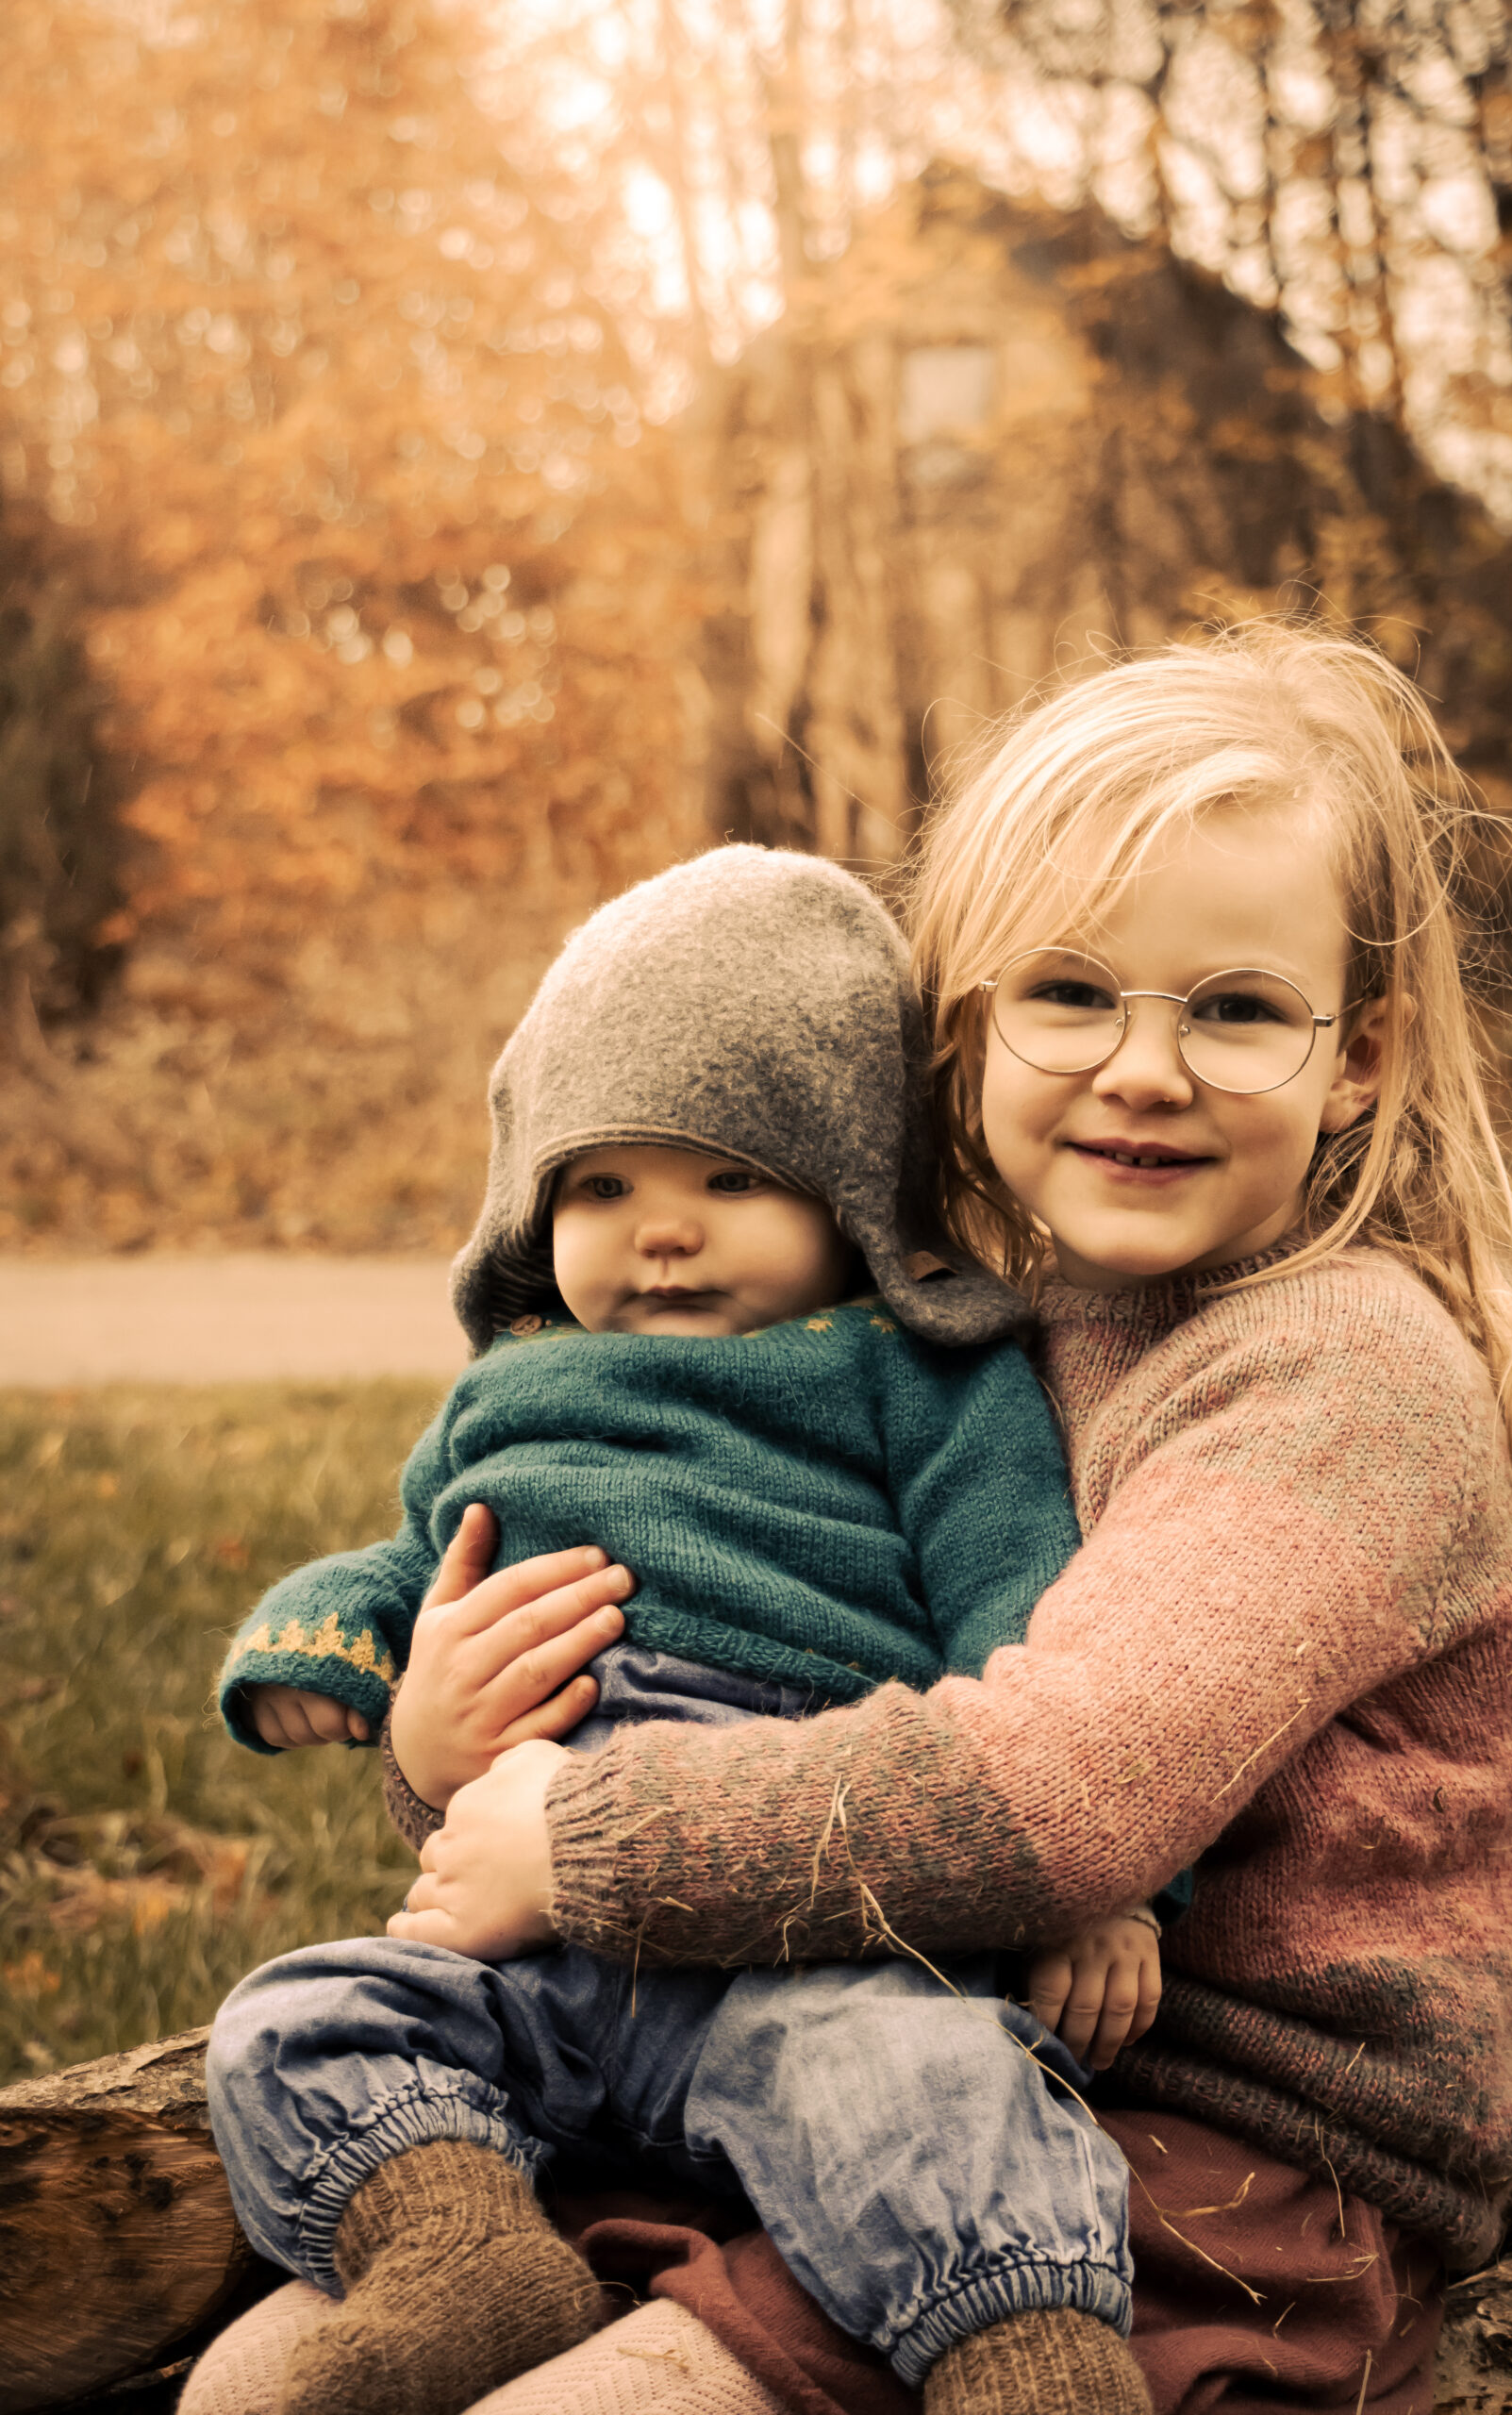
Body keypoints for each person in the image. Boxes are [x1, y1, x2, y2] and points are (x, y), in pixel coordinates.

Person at [353, 623, 1512, 2415]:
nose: (1146, 1068)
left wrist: (586, 1843)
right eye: (1073, 993)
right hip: (879, 2049)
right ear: (965, 1034)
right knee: (273, 2368)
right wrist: (444, 1746)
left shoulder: (1341, 1373)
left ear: (1356, 1055)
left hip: (1226, 2165)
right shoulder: (976, 1327)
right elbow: (745, 1674)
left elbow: (1062, 1784)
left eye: (1238, 1009)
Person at [206, 845, 1186, 2415]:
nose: (661, 1232)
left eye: (731, 1178)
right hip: (538, 1947)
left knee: (923, 2090)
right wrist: (354, 1679)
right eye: (604, 1186)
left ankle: (1027, 2355)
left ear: (857, 1186)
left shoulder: (915, 1375)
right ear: (532, 1200)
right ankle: (460, 2254)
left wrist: (1106, 1886)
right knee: (301, 2021)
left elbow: (1041, 1632)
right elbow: (410, 1567)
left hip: (814, 1920)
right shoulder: (508, 1392)